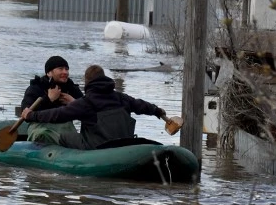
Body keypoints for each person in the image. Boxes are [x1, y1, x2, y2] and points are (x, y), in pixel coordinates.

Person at [21, 65, 167, 150]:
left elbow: (58, 114)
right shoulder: (121, 97)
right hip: (124, 142)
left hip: (97, 147)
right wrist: (158, 111)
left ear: (87, 81)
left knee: (64, 137)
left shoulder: (87, 102)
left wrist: (31, 115)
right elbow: (142, 105)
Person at [20, 56, 84, 145]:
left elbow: (88, 112)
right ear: (49, 72)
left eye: (66, 69)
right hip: (41, 128)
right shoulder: (36, 88)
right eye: (60, 69)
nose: (65, 72)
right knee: (42, 135)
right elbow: (25, 113)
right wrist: (49, 99)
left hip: (65, 129)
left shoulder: (72, 89)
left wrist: (74, 102)